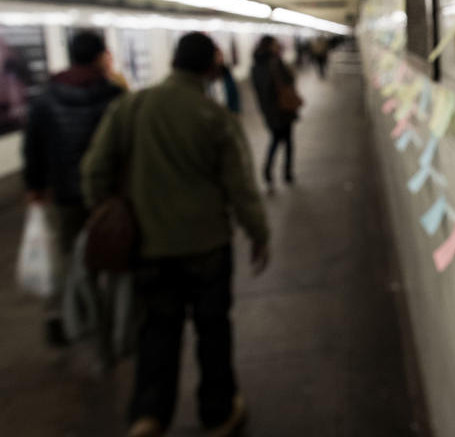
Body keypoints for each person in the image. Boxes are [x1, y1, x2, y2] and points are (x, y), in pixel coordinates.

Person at [82, 32, 270, 437]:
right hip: (207, 246)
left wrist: (115, 207)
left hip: (148, 247)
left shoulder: (130, 106)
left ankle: (148, 415)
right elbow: (240, 188)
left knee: (156, 331)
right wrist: (259, 234)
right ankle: (219, 413)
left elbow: (94, 172)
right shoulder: (215, 116)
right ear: (211, 66)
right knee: (213, 329)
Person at [22, 30, 125, 345]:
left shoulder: (46, 99)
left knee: (72, 256)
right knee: (116, 253)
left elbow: (33, 147)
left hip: (65, 195)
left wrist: (35, 187)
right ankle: (113, 322)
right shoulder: (114, 96)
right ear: (100, 56)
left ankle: (76, 317)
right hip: (108, 194)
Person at [250, 36, 299, 193]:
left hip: (268, 111)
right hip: (282, 109)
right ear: (271, 46)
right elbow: (289, 80)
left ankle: (268, 171)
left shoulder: (255, 66)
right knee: (287, 142)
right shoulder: (276, 63)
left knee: (275, 140)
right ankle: (287, 172)